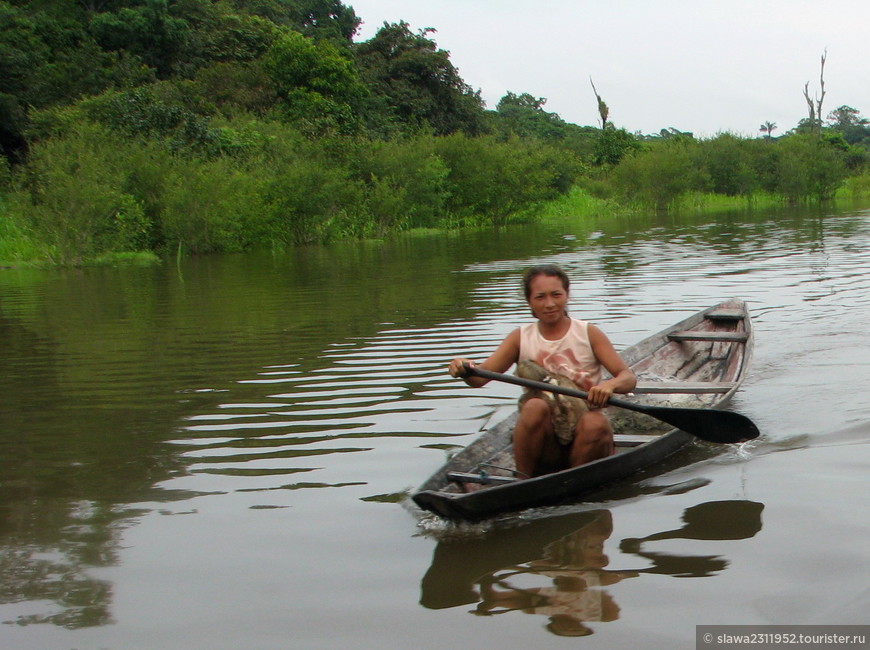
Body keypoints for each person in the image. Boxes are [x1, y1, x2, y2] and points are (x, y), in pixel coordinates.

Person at [448, 264, 636, 478]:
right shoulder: (520, 337)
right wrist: (464, 369)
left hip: (586, 441)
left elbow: (628, 378)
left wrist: (609, 385)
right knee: (534, 406)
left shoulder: (588, 333)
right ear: (529, 301)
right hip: (544, 446)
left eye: (556, 295)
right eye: (540, 297)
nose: (549, 304)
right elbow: (479, 378)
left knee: (595, 422)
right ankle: (522, 481)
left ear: (566, 295)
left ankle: (575, 481)